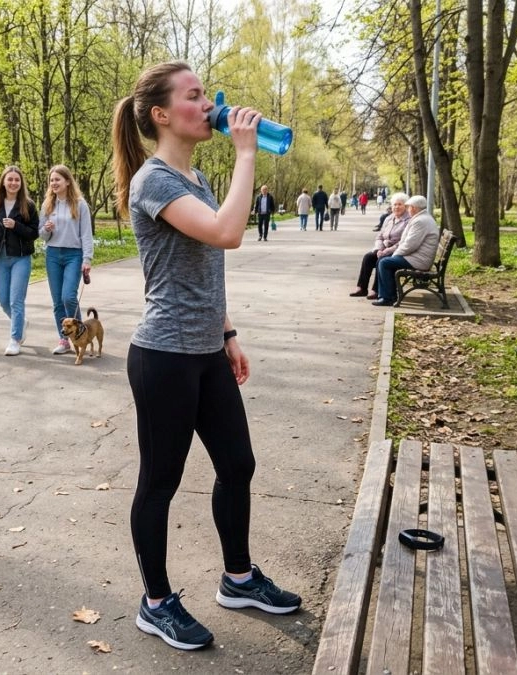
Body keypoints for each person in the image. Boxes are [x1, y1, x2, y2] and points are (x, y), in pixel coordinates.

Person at [111, 60, 302, 652]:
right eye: (195, 97)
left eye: (206, 95)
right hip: (164, 356)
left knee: (238, 464)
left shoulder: (196, 181)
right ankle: (156, 601)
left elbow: (206, 270)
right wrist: (247, 152)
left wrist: (228, 334)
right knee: (160, 480)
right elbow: (227, 234)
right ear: (163, 115)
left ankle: (238, 578)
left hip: (205, 351)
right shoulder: (155, 181)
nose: (209, 106)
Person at [0, 165, 39, 356]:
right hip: (0, 259)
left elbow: (34, 233)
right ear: (3, 182)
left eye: (17, 180)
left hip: (21, 258)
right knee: (2, 300)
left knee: (16, 301)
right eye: (10, 179)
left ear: (21, 183)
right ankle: (20, 323)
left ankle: (15, 339)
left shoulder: (28, 206)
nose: (13, 183)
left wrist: (16, 225)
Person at [39, 164, 93, 356]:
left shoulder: (80, 204)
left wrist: (87, 259)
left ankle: (80, 334)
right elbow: (42, 235)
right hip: (53, 254)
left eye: (57, 180)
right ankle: (64, 340)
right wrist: (46, 229)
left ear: (67, 182)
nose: (54, 183)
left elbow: (86, 234)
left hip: (74, 255)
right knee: (57, 302)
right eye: (51, 180)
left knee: (68, 297)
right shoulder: (47, 205)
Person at [373, 194, 440, 307]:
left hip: (419, 260)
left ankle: (388, 297)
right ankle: (386, 294)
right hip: (417, 257)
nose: (407, 209)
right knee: (383, 259)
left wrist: (394, 255)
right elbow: (407, 242)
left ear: (413, 208)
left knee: (385, 262)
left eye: (408, 207)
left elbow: (410, 245)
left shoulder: (421, 221)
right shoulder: (421, 218)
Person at [350, 192, 409, 298]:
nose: (396, 207)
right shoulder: (389, 218)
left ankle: (375, 290)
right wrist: (378, 249)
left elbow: (403, 241)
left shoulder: (408, 221)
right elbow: (379, 236)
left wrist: (386, 251)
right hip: (383, 248)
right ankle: (362, 288)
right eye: (394, 204)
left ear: (406, 206)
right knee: (368, 257)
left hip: (397, 251)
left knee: (382, 259)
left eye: (400, 204)